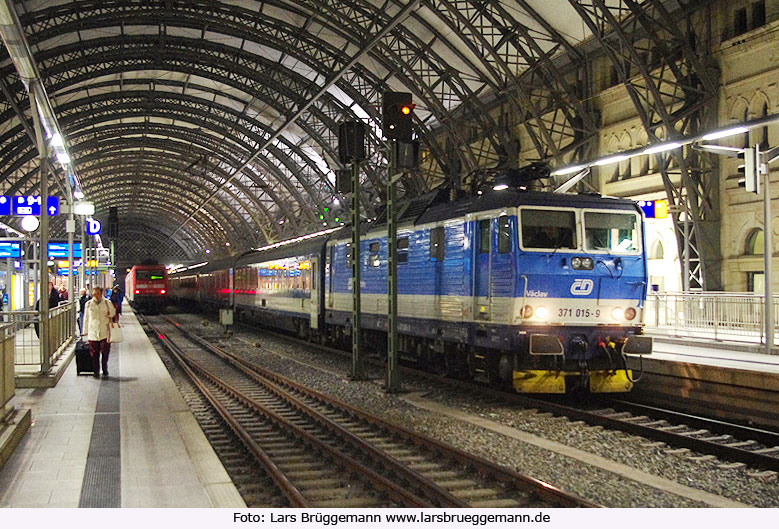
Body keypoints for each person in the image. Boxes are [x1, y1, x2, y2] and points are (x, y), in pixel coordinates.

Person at [82, 286, 116, 378]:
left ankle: (104, 368)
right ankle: (96, 371)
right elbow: (86, 318)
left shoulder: (107, 302)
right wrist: (84, 331)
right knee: (94, 353)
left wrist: (110, 314)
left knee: (105, 351)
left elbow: (113, 312)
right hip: (93, 331)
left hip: (105, 330)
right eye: (94, 293)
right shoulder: (88, 304)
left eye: (97, 293)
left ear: (101, 293)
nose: (95, 295)